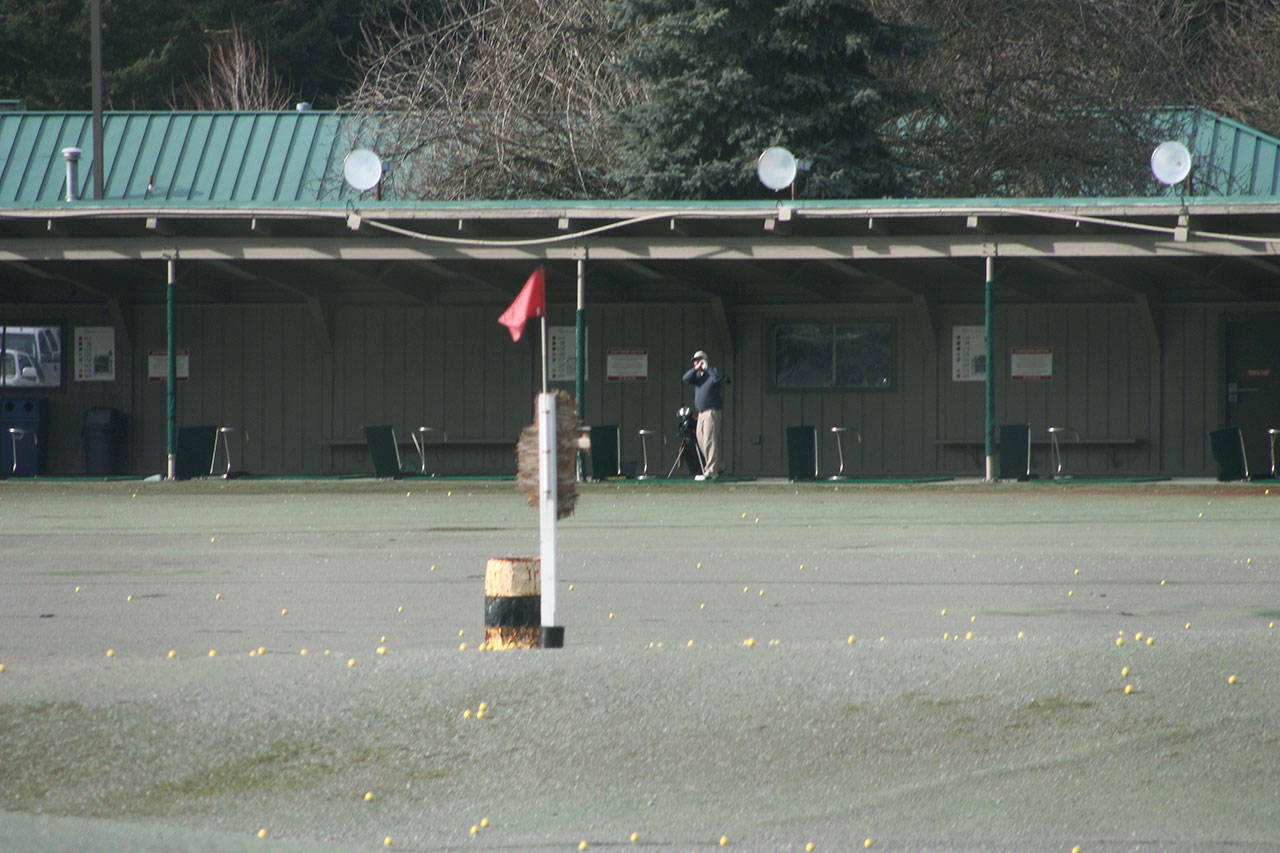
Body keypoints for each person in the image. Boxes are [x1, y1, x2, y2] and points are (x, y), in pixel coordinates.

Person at [682, 350, 727, 480]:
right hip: (701, 413)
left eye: (699, 360)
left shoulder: (711, 374)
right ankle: (718, 465)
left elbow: (718, 377)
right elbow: (685, 378)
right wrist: (695, 369)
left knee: (709, 440)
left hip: (711, 412)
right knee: (701, 440)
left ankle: (711, 471)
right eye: (695, 361)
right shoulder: (697, 377)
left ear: (705, 361)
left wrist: (708, 368)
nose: (696, 363)